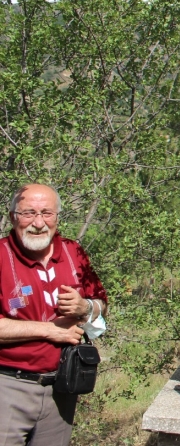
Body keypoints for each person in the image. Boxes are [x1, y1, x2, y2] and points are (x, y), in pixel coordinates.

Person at [0, 184, 108, 446]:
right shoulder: (2, 256)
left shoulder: (73, 252)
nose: (38, 223)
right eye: (29, 213)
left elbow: (102, 303)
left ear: (58, 217)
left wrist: (86, 308)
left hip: (62, 387)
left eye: (47, 213)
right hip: (8, 386)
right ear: (13, 216)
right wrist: (50, 329)